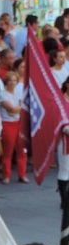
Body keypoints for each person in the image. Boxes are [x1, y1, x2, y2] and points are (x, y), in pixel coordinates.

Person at [0, 71, 28, 185]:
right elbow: (12, 109)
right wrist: (19, 108)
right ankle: (6, 175)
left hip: (18, 123)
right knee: (8, 151)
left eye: (14, 80)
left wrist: (18, 109)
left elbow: (18, 109)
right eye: (10, 80)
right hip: (7, 123)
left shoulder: (18, 92)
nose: (12, 82)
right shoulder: (3, 94)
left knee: (21, 150)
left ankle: (22, 174)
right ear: (6, 81)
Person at [57, 77, 69, 207]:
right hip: (65, 140)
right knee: (65, 170)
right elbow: (59, 120)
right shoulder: (61, 101)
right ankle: (64, 201)